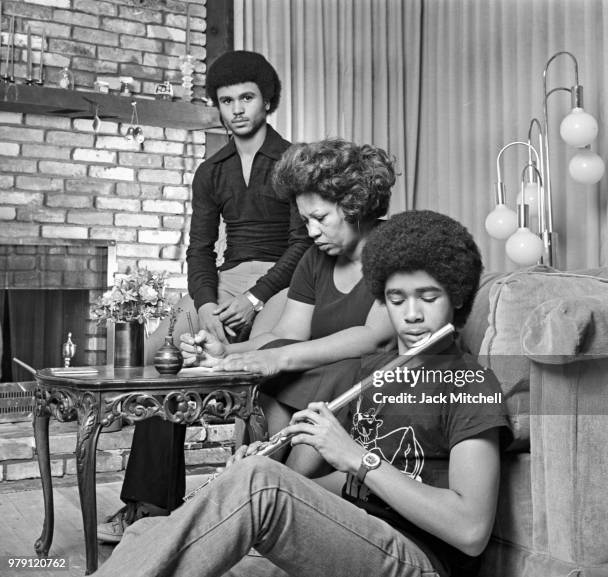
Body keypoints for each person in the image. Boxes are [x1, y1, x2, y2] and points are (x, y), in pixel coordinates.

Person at [92, 210, 511, 577]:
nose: (413, 314)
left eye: (429, 297)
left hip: (418, 559)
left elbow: (470, 531)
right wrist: (270, 483)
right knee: (148, 532)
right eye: (397, 299)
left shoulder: (470, 385)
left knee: (256, 485)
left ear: (455, 298)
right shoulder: (380, 377)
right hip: (355, 534)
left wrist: (354, 459)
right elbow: (352, 491)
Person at [97, 50, 310, 544]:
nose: (236, 109)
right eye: (226, 100)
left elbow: (302, 245)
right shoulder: (210, 170)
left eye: (247, 98)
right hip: (224, 280)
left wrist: (256, 299)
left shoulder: (295, 161)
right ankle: (148, 507)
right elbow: (198, 250)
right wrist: (208, 302)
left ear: (267, 100)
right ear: (217, 106)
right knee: (163, 367)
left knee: (257, 369)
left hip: (284, 281)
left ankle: (249, 509)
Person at [181, 138, 398, 460]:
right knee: (266, 394)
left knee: (287, 374)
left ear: (356, 204)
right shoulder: (315, 258)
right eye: (305, 220)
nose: (311, 231)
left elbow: (375, 339)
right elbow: (287, 334)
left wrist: (278, 359)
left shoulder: (395, 246)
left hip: (368, 377)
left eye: (320, 218)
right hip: (322, 374)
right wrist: (226, 351)